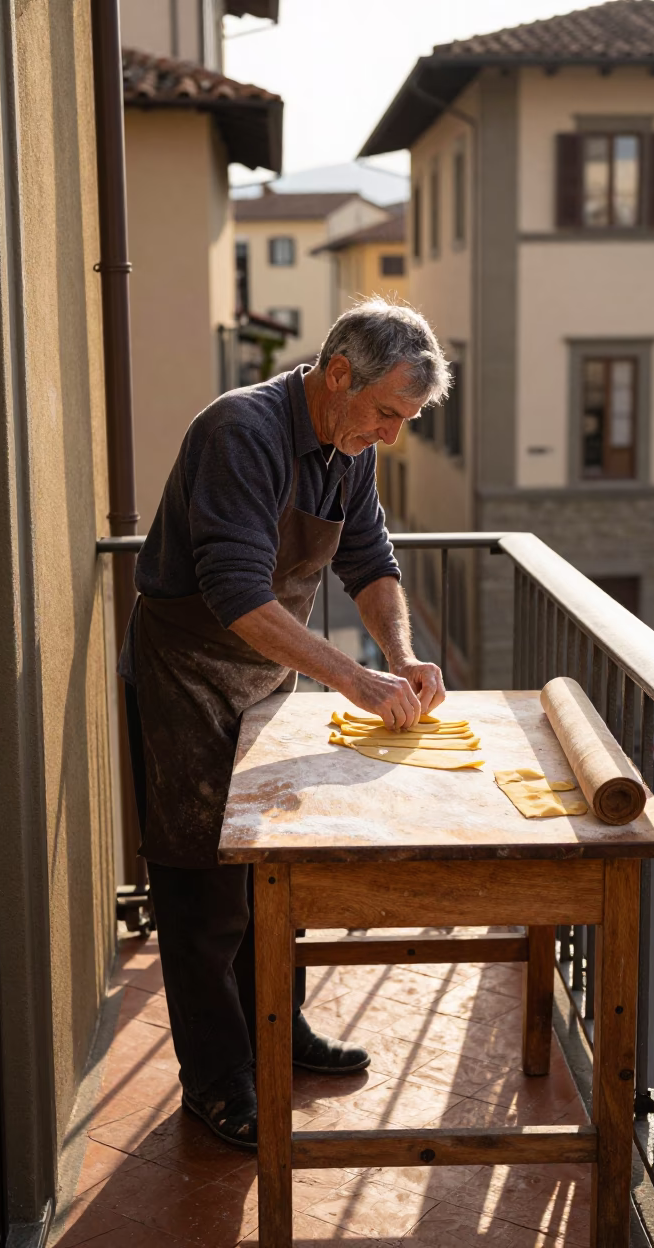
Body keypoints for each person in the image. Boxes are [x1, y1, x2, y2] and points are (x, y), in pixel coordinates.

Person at [119, 298, 451, 1149]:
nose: (388, 434)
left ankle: (282, 1032)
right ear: (339, 374)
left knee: (273, 880)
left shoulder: (347, 444)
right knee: (203, 896)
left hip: (269, 676)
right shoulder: (243, 431)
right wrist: (354, 680)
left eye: (403, 421)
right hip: (188, 673)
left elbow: (369, 558)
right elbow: (234, 593)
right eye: (386, 413)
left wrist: (403, 657)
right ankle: (219, 1083)